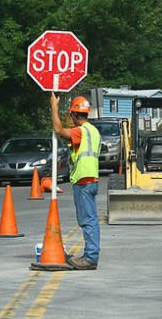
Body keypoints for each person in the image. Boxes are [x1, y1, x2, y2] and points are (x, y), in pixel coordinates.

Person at [50, 92, 101, 270]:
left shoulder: (81, 131)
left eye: (71, 115)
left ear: (74, 115)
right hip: (92, 179)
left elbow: (58, 130)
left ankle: (90, 258)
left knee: (87, 220)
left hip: (83, 180)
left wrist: (54, 106)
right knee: (91, 219)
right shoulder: (94, 131)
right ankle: (91, 255)